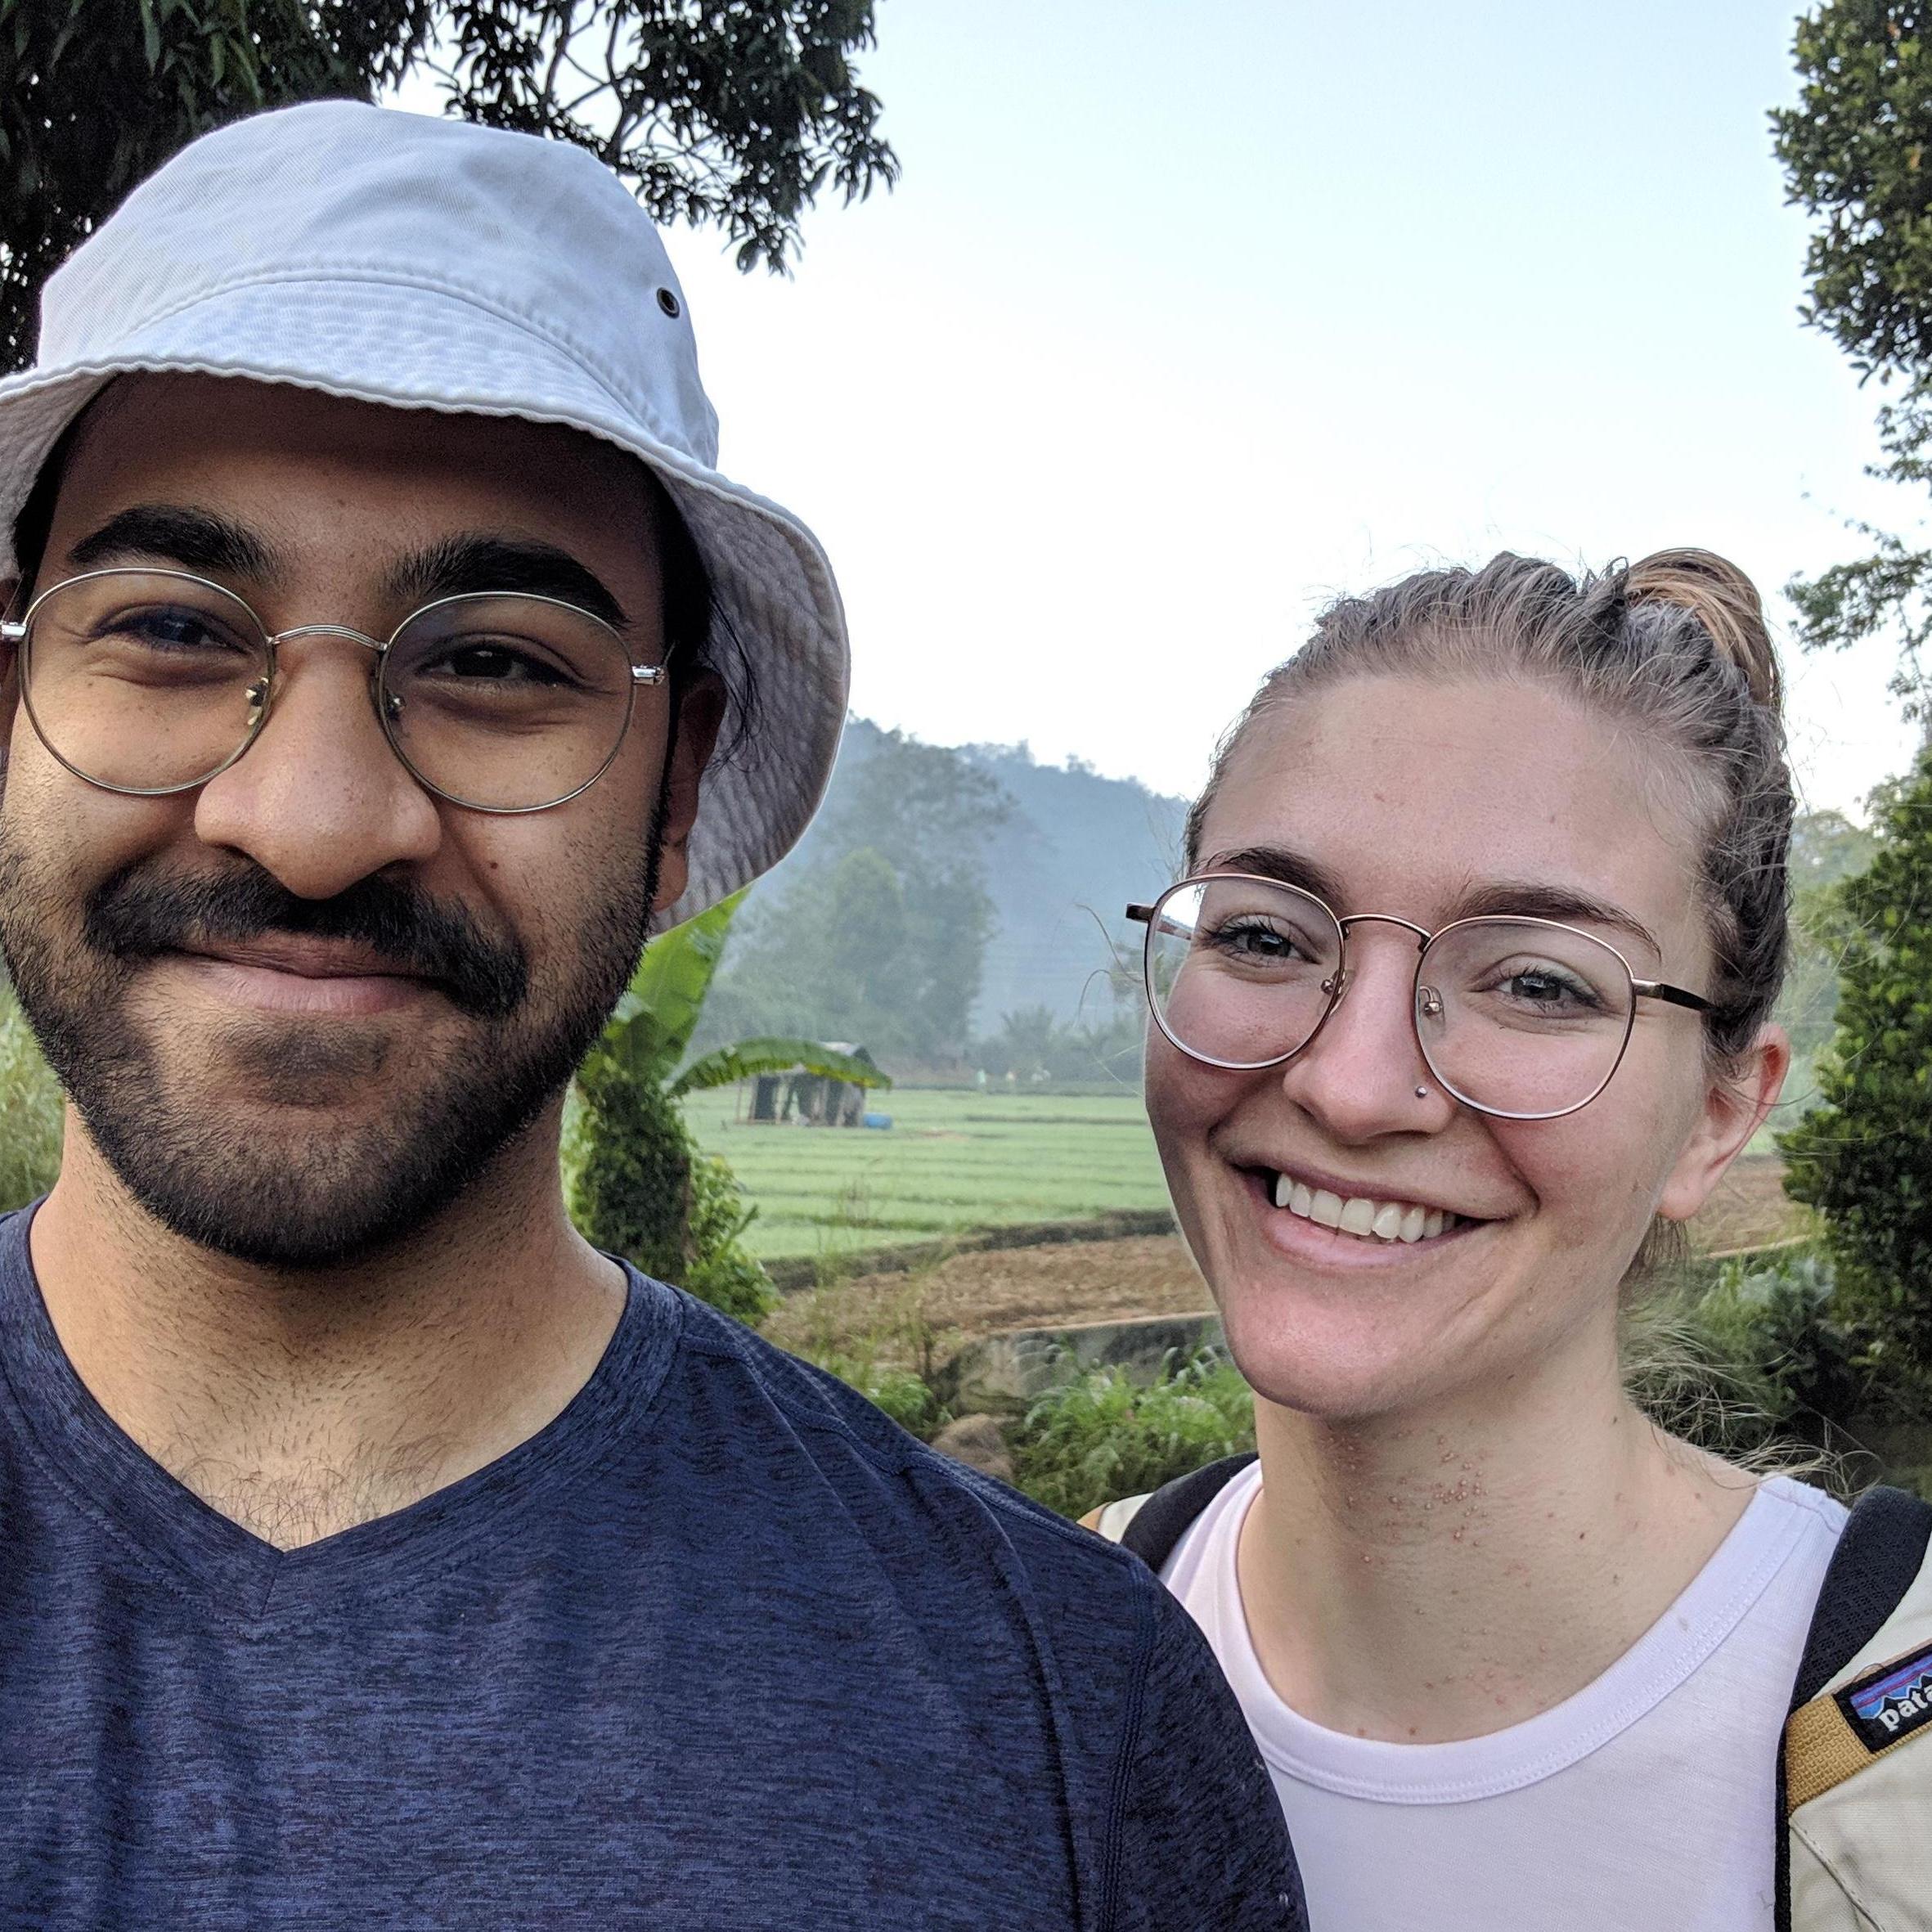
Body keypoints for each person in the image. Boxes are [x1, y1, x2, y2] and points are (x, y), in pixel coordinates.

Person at [0, 102, 1305, 1928]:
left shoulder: (1058, 1720)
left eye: (490, 664)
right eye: (170, 627)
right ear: (12, 699)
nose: (304, 820)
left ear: (674, 780)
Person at [1086, 550, 1932, 1930]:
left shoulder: (1892, 1743)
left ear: (1720, 1112)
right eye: (1263, 934)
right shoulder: (1020, 1639)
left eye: (1536, 980)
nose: (1349, 1085)